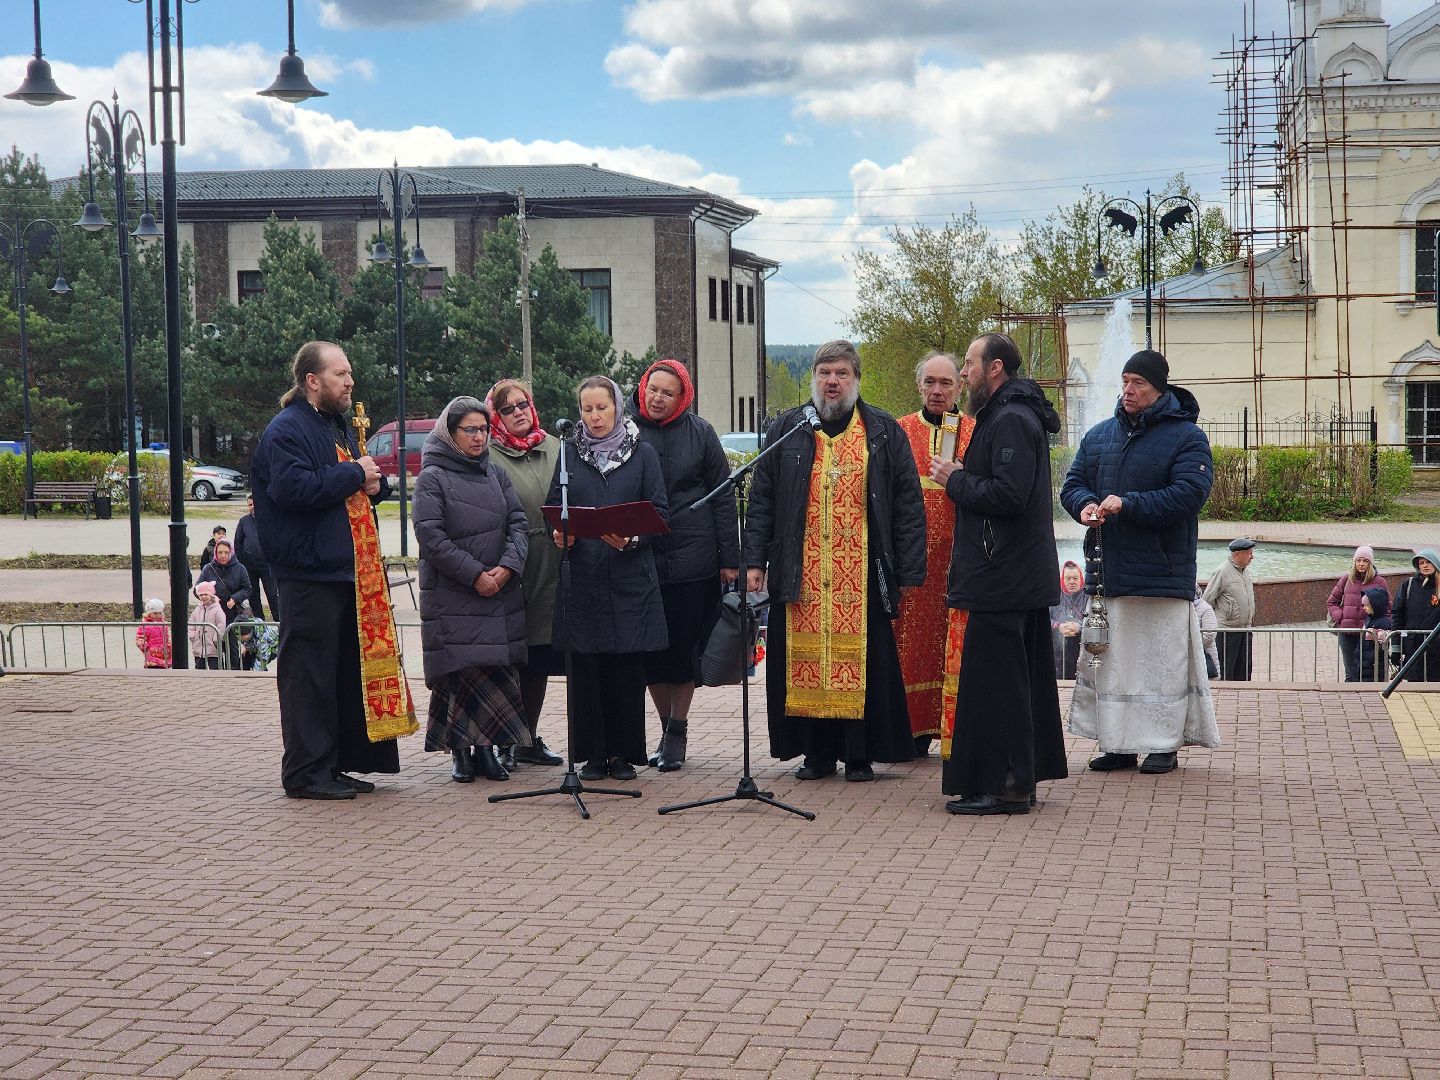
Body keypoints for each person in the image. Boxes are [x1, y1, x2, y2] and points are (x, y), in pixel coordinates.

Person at [744, 339, 926, 782]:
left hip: (861, 574)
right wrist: (754, 561)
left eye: (841, 373)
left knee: (864, 662)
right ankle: (816, 754)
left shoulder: (882, 430)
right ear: (813, 378)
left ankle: (859, 754)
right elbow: (762, 497)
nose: (832, 381)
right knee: (803, 663)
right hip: (800, 571)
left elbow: (907, 502)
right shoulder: (788, 428)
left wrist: (908, 570)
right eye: (825, 372)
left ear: (855, 380)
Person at [251, 340, 415, 801]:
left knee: (341, 673)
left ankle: (335, 763)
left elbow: (348, 483)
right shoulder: (286, 429)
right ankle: (305, 772)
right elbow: (293, 489)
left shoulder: (332, 423)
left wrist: (373, 484)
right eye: (341, 374)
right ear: (312, 381)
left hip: (347, 571)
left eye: (349, 373)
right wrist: (353, 475)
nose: (350, 381)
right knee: (310, 676)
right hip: (308, 573)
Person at [1060, 348, 1220, 775]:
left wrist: (1129, 504)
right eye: (1126, 381)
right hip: (1109, 572)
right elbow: (1072, 483)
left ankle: (1164, 745)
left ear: (1159, 389)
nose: (1129, 391)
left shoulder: (1188, 437)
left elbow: (1189, 495)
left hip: (1160, 575)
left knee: (1160, 668)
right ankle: (1118, 744)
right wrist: (1084, 506)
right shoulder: (1099, 436)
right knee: (1114, 667)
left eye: (1139, 384)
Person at [929, 332, 1067, 815]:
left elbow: (1010, 496)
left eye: (969, 363)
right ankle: (1014, 780)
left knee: (998, 684)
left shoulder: (1009, 418)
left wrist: (956, 479)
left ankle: (1002, 785)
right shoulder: (1005, 415)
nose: (963, 372)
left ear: (995, 369)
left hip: (1001, 577)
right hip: (1008, 574)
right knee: (1013, 681)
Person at [547, 375, 670, 781]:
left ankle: (622, 754)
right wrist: (558, 533)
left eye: (602, 407)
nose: (595, 416)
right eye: (587, 409)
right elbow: (553, 505)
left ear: (617, 407)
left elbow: (661, 514)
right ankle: (592, 755)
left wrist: (632, 537)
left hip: (629, 577)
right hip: (583, 578)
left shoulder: (643, 453)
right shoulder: (568, 453)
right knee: (586, 670)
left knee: (624, 670)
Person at [413, 396, 531, 784]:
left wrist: (507, 567)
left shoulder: (495, 473)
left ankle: (488, 749)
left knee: (493, 670)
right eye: (470, 430)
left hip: (498, 592)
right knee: (462, 673)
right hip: (455, 595)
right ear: (451, 433)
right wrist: (474, 574)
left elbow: (518, 523)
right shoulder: (432, 477)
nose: (479, 437)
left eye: (483, 429)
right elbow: (431, 536)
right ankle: (461, 752)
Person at [630, 357, 739, 771]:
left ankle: (678, 729)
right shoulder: (627, 432)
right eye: (653, 389)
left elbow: (724, 496)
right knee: (652, 652)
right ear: (643, 389)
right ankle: (664, 728)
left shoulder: (701, 434)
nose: (658, 398)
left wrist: (730, 558)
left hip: (694, 559)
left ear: (683, 397)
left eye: (668, 393)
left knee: (683, 649)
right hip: (641, 557)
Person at [893, 351, 973, 754]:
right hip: (912, 562)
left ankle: (952, 729)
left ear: (959, 386)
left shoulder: (976, 431)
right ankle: (910, 731)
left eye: (946, 383)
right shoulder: (898, 431)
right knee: (909, 644)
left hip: (959, 562)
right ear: (919, 385)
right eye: (930, 383)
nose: (938, 391)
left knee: (951, 646)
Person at [485, 378, 565, 770]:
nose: (518, 412)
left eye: (522, 404)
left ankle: (527, 737)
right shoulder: (488, 453)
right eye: (507, 408)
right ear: (494, 416)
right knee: (510, 656)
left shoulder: (555, 446)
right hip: (511, 559)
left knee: (540, 653)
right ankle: (504, 738)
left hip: (555, 558)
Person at [1204, 538, 1256, 680]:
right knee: (1227, 672)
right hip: (1227, 632)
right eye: (1249, 553)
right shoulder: (1222, 572)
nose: (1252, 556)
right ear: (1237, 554)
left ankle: (1244, 699)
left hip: (1245, 630)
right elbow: (1207, 600)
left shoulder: (1244, 571)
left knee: (1244, 672)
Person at [196, 538, 253, 667]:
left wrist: (235, 598)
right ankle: (217, 675)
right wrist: (209, 597)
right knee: (213, 651)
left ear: (231, 552)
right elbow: (197, 589)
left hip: (231, 616)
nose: (223, 555)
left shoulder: (240, 568)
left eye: (226, 552)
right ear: (215, 552)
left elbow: (247, 588)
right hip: (212, 616)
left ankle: (233, 675)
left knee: (232, 650)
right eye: (220, 552)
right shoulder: (208, 568)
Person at [1327, 545, 1376, 682]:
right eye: (1358, 560)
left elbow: (1387, 607)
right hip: (1347, 632)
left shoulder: (1379, 581)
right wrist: (1340, 617)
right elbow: (1332, 602)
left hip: (1368, 633)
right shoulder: (1346, 579)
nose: (1361, 564)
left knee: (1366, 670)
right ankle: (1350, 700)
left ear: (1370, 563)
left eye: (1365, 561)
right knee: (1350, 672)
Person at [1390, 549, 1440, 682]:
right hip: (1412, 646)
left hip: (1436, 648)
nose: (1425, 565)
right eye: (1421, 563)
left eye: (1428, 562)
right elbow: (1397, 616)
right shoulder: (1408, 585)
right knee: (1415, 686)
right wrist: (1395, 647)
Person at [234, 495, 279, 621]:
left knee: (272, 595)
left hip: (267, 567)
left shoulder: (270, 520)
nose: (252, 507)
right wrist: (241, 562)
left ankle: (279, 623)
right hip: (249, 567)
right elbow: (238, 543)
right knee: (253, 597)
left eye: (254, 504)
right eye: (249, 505)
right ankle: (259, 623)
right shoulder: (244, 521)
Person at [1050, 560, 1086, 680]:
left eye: (1075, 578)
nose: (1072, 582)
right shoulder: (1055, 595)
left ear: (1081, 579)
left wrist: (1079, 626)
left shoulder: (1088, 596)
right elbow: (1045, 619)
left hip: (1082, 649)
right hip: (1058, 651)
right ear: (1062, 579)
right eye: (1068, 578)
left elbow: (1094, 619)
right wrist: (1058, 626)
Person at [1359, 585, 1393, 683]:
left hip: (1375, 663)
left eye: (1366, 605)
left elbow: (1384, 642)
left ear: (1375, 606)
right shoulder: (1369, 619)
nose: (1364, 608)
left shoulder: (1384, 622)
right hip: (1365, 660)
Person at [188, 581, 225, 670]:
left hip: (213, 647)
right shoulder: (197, 610)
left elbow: (221, 625)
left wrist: (216, 639)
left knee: (215, 669)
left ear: (211, 595)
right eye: (201, 595)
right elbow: (191, 624)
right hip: (199, 647)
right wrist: (192, 637)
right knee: (200, 669)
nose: (203, 597)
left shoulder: (217, 610)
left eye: (206, 594)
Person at [135, 597, 171, 669]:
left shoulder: (163, 624)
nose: (158, 615)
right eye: (155, 613)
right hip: (152, 656)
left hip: (164, 654)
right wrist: (147, 649)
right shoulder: (145, 625)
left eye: (159, 613)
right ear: (149, 613)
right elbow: (140, 638)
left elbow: (166, 637)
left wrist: (169, 645)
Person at [1193, 586, 1220, 680]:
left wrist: (1191, 645)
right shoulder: (1183, 608)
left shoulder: (1205, 608)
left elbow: (1209, 634)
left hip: (1205, 655)